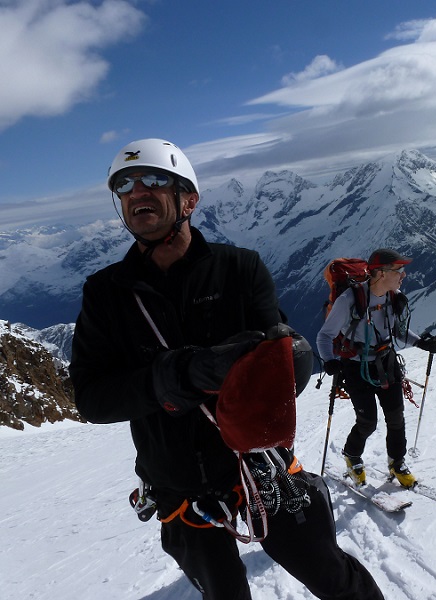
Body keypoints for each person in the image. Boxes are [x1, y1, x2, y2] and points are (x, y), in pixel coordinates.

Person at [69, 138, 384, 600]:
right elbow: (91, 398)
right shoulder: (106, 294)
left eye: (155, 180)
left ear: (188, 199)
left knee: (332, 577)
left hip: (263, 466)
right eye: (125, 187)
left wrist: (291, 359)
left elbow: (286, 362)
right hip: (177, 482)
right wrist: (178, 376)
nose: (138, 193)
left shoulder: (240, 269)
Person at [316, 248, 436, 488]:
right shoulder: (349, 299)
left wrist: (421, 342)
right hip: (355, 368)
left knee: (396, 418)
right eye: (399, 271)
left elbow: (398, 331)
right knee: (367, 422)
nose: (403, 275)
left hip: (387, 362)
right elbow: (325, 335)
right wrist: (329, 360)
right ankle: (352, 456)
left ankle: (397, 462)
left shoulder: (393, 296)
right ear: (381, 273)